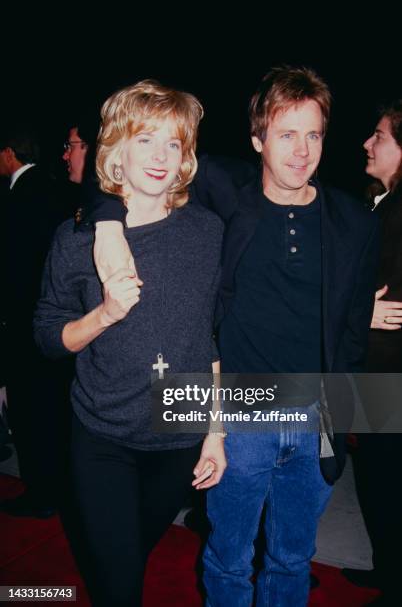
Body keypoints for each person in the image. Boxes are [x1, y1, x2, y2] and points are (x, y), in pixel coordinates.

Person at [78, 66, 380, 606]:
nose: (302, 151)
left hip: (315, 418)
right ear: (258, 139)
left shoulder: (354, 220)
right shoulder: (225, 189)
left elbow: (353, 334)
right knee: (229, 557)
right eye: (286, 134)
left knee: (292, 558)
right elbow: (120, 166)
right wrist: (104, 225)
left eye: (313, 134)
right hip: (239, 407)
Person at [34, 80, 226, 607]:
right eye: (145, 140)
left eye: (174, 143)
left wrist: (215, 433)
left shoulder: (208, 232)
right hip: (103, 435)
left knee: (126, 557)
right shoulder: (74, 237)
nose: (162, 156)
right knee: (120, 584)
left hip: (179, 435)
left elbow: (208, 337)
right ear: (116, 151)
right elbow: (50, 337)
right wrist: (104, 314)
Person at [342, 100, 402, 607]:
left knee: (388, 482)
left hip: (391, 374)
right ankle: (388, 569)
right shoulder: (379, 202)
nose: (368, 142)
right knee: (376, 479)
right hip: (374, 370)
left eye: (379, 136)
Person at [0, 127, 71, 518]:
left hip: (26, 322)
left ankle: (40, 493)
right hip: (55, 319)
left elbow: (13, 266)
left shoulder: (19, 196)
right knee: (52, 409)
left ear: (9, 154)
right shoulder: (55, 188)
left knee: (29, 412)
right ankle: (55, 487)